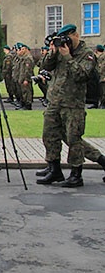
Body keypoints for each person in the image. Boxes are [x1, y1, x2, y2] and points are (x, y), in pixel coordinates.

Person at [37, 24, 98, 187]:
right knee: (49, 135)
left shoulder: (87, 54)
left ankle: (76, 174)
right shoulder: (59, 51)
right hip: (54, 101)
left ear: (75, 35)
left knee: (73, 139)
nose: (66, 43)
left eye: (68, 38)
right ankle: (54, 169)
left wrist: (68, 57)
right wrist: (53, 52)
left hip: (73, 104)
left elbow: (82, 75)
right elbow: (45, 66)